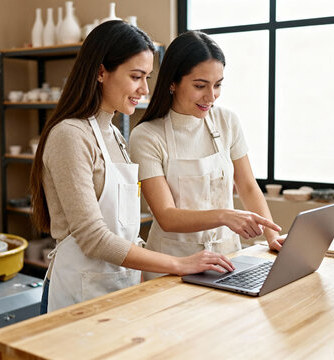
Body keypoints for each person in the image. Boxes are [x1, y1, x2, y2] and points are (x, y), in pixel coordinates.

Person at [30, 21, 234, 314]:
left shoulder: (114, 135)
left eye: (148, 77)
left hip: (119, 287)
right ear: (101, 72)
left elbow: (124, 231)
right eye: (136, 76)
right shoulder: (70, 135)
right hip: (78, 291)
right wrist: (178, 263)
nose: (145, 89)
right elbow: (94, 238)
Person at [129, 31, 284, 281]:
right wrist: (225, 216)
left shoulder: (227, 121)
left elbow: (247, 185)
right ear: (173, 82)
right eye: (200, 86)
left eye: (218, 84)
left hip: (228, 258)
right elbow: (166, 216)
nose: (211, 96)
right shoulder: (146, 136)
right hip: (172, 267)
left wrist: (272, 237)